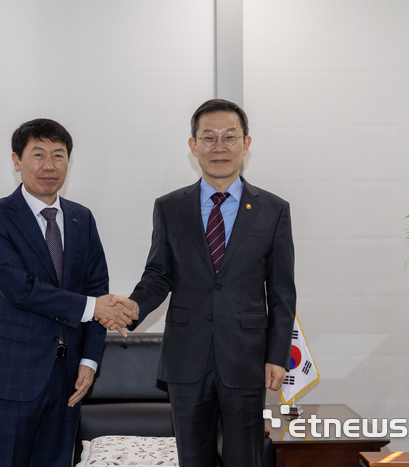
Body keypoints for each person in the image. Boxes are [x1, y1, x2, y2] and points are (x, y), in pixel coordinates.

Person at [111, 99, 296, 467]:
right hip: (186, 357)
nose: (219, 147)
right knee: (193, 460)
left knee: (245, 459)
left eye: (230, 137)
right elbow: (158, 274)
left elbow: (281, 291)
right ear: (193, 146)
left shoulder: (273, 209)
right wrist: (132, 308)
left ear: (246, 143)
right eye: (208, 138)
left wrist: (277, 356)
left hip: (246, 358)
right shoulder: (170, 207)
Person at [0, 118, 137, 467]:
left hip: (68, 382)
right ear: (16, 161)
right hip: (11, 378)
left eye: (59, 155)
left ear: (68, 161)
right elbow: (20, 290)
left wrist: (90, 361)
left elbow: (96, 288)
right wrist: (95, 307)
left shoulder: (82, 218)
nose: (49, 165)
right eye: (38, 155)